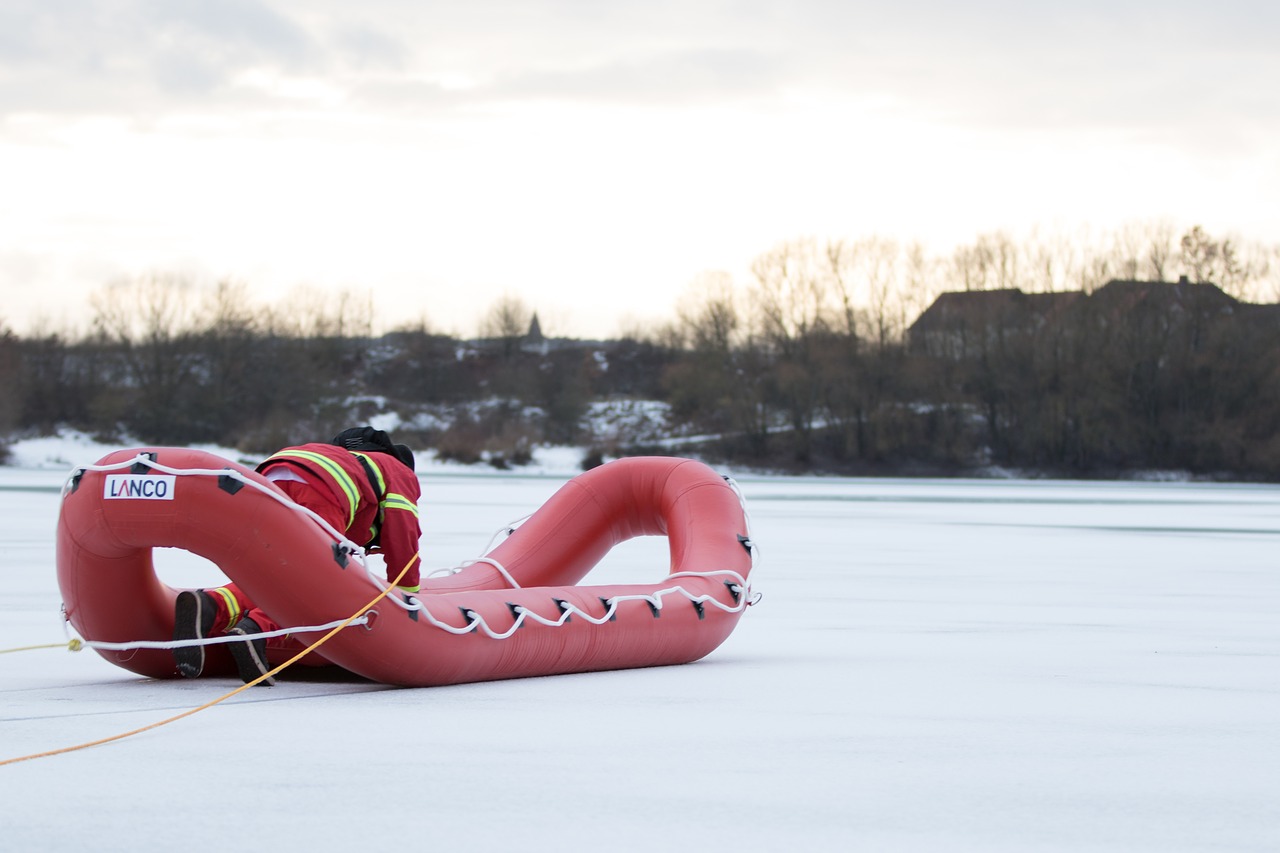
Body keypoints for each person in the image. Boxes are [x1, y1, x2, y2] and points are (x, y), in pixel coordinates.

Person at [172, 426, 422, 685]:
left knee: (273, 572)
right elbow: (403, 537)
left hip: (269, 475)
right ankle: (256, 631)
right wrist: (407, 596)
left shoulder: (345, 459)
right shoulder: (397, 470)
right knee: (323, 581)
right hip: (321, 488)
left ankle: (212, 606)